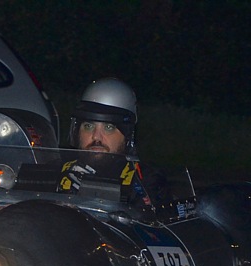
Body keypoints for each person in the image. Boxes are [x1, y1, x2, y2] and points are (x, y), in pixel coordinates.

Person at [61, 77, 170, 207]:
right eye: (88, 126)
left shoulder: (145, 181)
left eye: (108, 128)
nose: (96, 137)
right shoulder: (60, 170)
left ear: (127, 135)